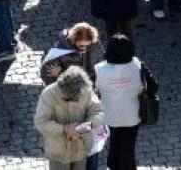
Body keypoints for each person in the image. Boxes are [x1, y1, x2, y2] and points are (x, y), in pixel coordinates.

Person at [34, 66, 103, 170]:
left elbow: (98, 111)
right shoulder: (48, 94)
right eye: (69, 99)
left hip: (81, 148)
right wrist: (63, 129)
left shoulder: (85, 89)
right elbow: (40, 122)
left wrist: (89, 124)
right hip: (58, 151)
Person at [93, 35, 147, 170]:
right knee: (128, 148)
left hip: (110, 115)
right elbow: (153, 86)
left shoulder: (99, 68)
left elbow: (93, 89)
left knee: (114, 143)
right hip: (132, 115)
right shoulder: (137, 65)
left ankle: (113, 165)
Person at [39, 22, 105, 85]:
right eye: (81, 46)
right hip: (69, 89)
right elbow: (46, 74)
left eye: (88, 46)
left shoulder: (96, 45)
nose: (84, 49)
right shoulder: (59, 50)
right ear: (73, 40)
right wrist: (61, 74)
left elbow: (102, 65)